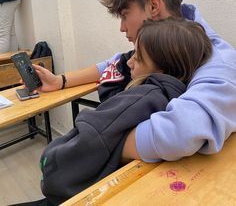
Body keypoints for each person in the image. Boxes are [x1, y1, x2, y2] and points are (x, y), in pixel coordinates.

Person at [34, 0, 236, 164]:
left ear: (154, 6)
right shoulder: (167, 41)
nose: (122, 27)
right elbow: (112, 64)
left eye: (124, 15)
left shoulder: (218, 64)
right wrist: (59, 81)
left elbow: (182, 133)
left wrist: (97, 148)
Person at [38, 17, 212, 205]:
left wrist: (47, 161)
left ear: (162, 68)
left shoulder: (142, 97)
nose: (129, 62)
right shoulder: (177, 94)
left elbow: (90, 138)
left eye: (138, 57)